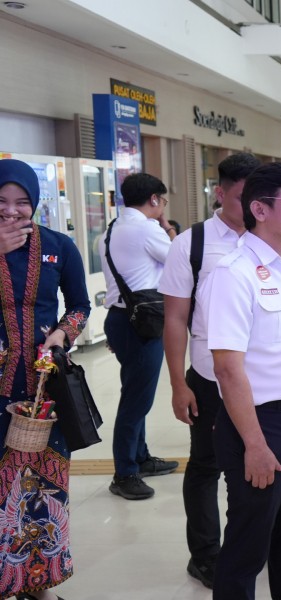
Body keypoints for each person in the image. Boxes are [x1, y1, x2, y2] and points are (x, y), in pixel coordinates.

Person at [159, 152, 281, 589]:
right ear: (260, 209)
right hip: (263, 425)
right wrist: (254, 444)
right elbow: (228, 369)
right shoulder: (232, 274)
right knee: (247, 548)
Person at [0, 159, 90, 600]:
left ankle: (39, 580)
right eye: (1, 202)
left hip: (41, 393)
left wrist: (61, 334)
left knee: (44, 486)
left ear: (35, 203)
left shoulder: (59, 246)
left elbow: (80, 306)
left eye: (22, 202)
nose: (13, 212)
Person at [100, 172, 180, 501]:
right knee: (137, 399)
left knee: (135, 390)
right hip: (141, 322)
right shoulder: (146, 228)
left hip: (122, 319)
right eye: (162, 201)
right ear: (154, 200)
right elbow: (180, 261)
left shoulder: (115, 227)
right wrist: (169, 229)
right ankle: (125, 473)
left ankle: (140, 457)